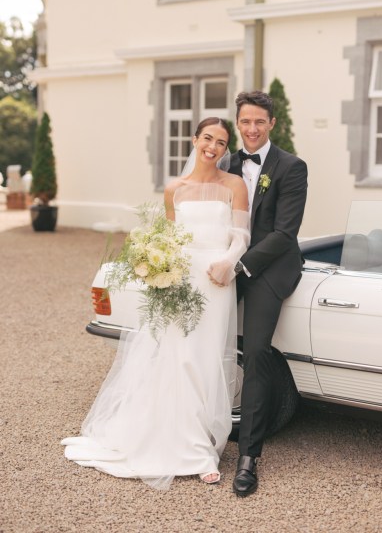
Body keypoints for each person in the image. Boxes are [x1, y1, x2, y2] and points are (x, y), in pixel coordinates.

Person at [61, 117, 249, 489]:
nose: (213, 147)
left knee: (205, 360)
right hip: (179, 283)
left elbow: (242, 235)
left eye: (222, 142)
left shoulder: (234, 185)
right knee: (175, 359)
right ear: (195, 140)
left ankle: (200, 447)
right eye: (207, 138)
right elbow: (169, 238)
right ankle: (185, 446)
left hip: (216, 282)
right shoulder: (174, 189)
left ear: (227, 150)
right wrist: (159, 266)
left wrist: (228, 263)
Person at [229, 90, 308, 497]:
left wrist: (240, 265)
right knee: (200, 341)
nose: (253, 129)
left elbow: (284, 232)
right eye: (246, 122)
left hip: (268, 268)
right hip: (227, 263)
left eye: (260, 122)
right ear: (238, 123)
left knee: (257, 352)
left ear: (272, 124)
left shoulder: (291, 167)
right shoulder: (225, 163)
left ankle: (248, 457)